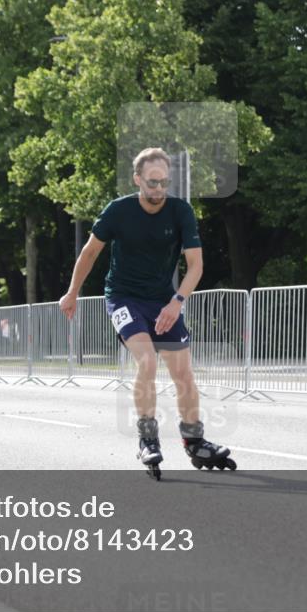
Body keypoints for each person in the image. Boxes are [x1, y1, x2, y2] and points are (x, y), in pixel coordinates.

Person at [58, 147, 235, 478]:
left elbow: (195, 266)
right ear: (137, 179)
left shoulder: (180, 211)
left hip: (164, 300)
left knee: (184, 374)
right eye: (152, 182)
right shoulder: (118, 211)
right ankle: (148, 439)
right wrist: (72, 292)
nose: (158, 190)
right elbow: (90, 252)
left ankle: (195, 440)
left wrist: (176, 301)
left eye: (164, 182)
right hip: (124, 297)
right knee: (148, 362)